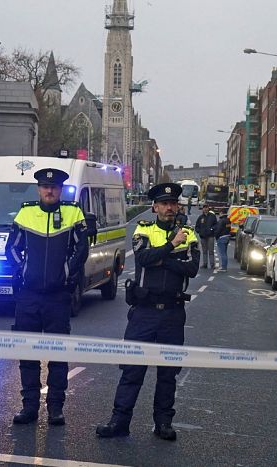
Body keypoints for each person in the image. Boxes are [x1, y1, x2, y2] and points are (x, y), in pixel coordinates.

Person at [96, 182, 199, 441]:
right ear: (154, 207)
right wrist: (172, 248)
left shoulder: (189, 233)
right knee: (132, 370)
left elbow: (192, 269)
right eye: (164, 204)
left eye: (173, 204)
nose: (169, 208)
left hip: (173, 314)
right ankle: (119, 421)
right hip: (144, 312)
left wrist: (161, 259)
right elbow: (142, 259)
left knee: (168, 373)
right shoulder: (144, 229)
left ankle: (163, 423)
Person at [4, 168, 89, 426]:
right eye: (44, 186)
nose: (49, 190)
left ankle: (55, 408)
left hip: (57, 297)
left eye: (53, 187)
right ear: (38, 189)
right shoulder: (26, 212)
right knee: (27, 353)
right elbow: (12, 249)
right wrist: (23, 270)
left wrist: (65, 273)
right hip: (28, 296)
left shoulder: (73, 213)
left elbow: (81, 249)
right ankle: (29, 407)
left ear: (60, 189)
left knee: (58, 354)